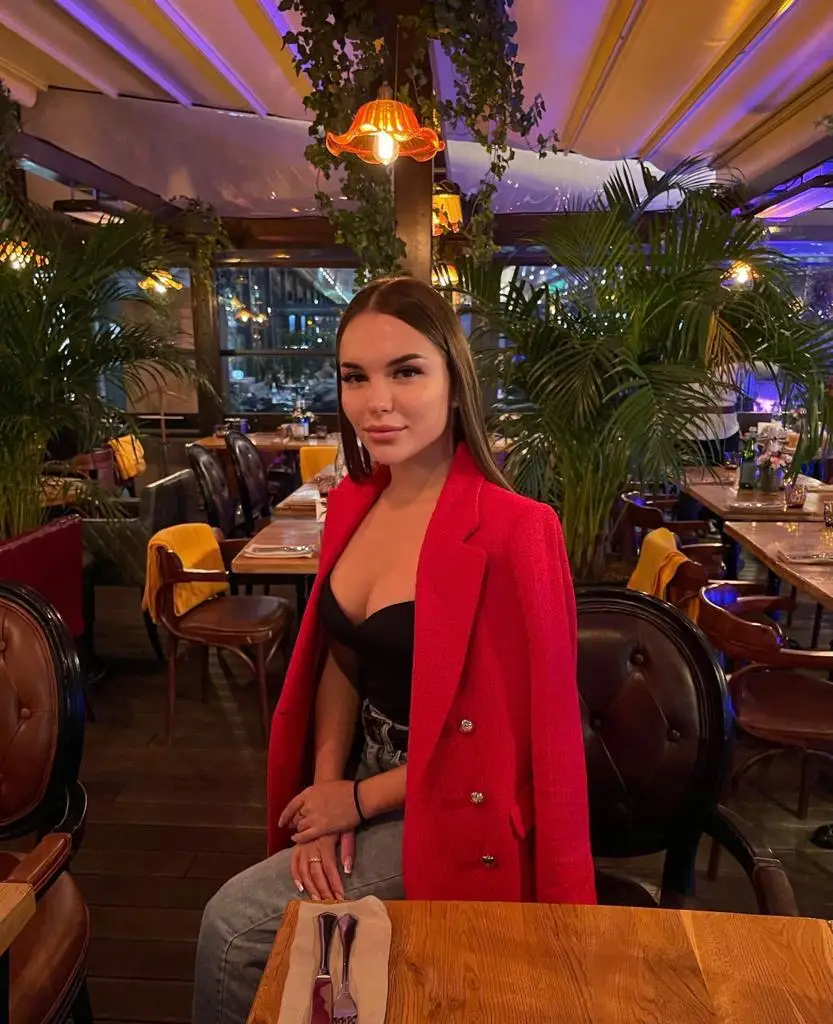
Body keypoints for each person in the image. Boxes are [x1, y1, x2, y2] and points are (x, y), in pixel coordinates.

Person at [192, 277, 595, 1024]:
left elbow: (523, 746)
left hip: (449, 803)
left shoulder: (517, 530)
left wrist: (356, 801)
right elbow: (342, 657)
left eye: (405, 371)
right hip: (357, 772)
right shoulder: (355, 500)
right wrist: (326, 794)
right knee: (332, 986)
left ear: (454, 381)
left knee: (233, 928)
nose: (376, 402)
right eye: (355, 377)